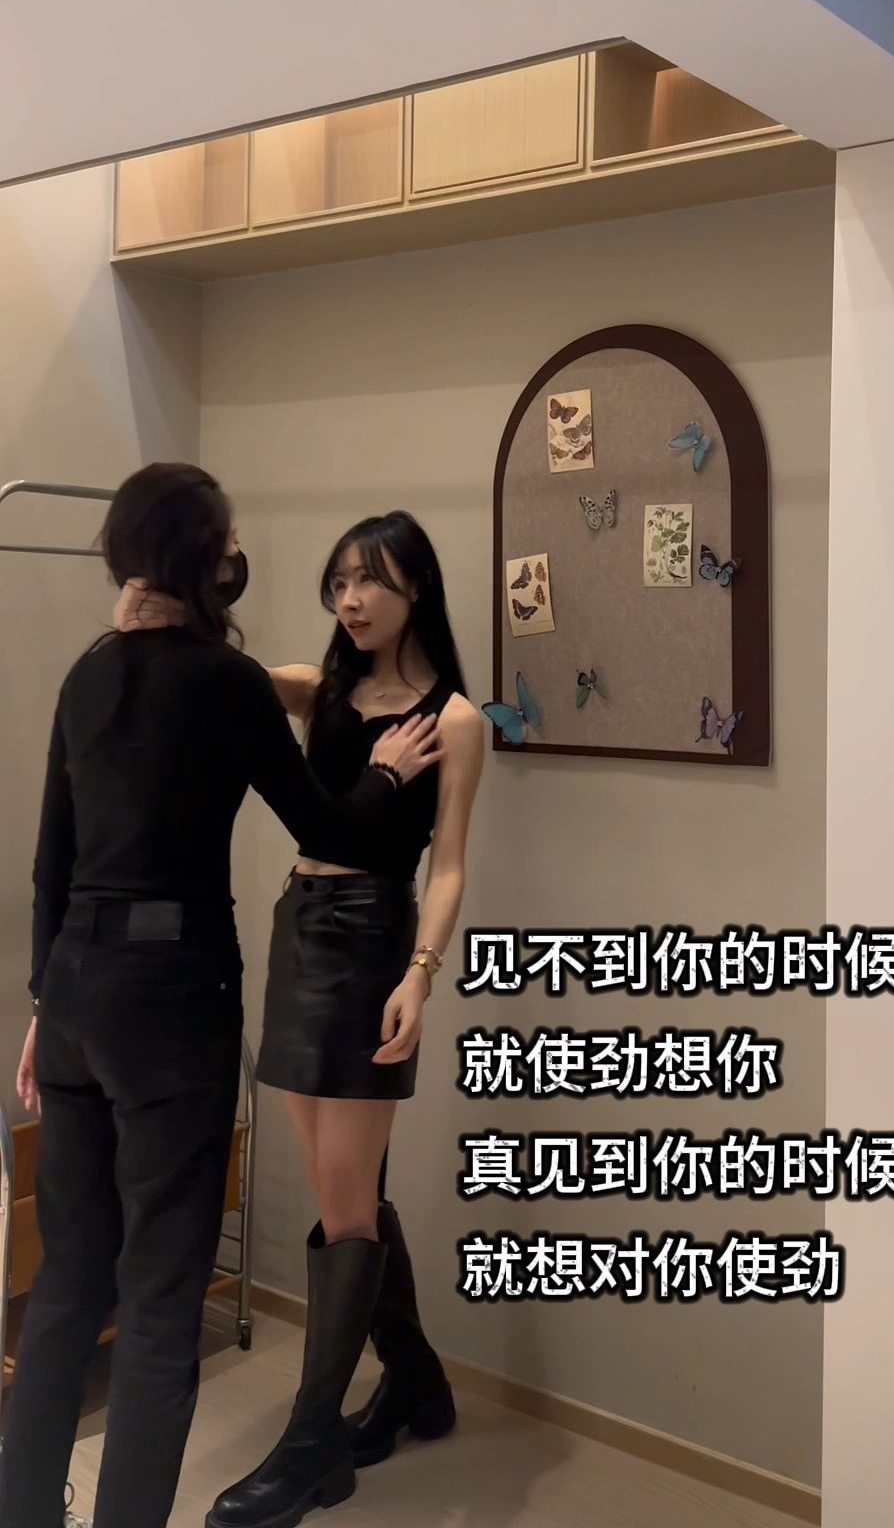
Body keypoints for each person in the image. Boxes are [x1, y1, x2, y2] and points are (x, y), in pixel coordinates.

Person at [0, 465, 439, 1528]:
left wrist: (45, 1004)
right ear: (207, 559)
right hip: (172, 1005)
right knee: (160, 1303)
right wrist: (385, 772)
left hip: (77, 996)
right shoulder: (224, 682)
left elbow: (52, 865)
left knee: (67, 1286)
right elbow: (330, 828)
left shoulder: (86, 675)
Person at [207, 512, 483, 1528]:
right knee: (348, 1189)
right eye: (339, 583)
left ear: (418, 590)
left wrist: (421, 973)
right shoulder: (317, 689)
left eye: (372, 582)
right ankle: (416, 1382)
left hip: (373, 941)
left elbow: (446, 864)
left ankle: (312, 1443)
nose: (351, 600)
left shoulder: (455, 719)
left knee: (343, 1202)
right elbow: (220, 668)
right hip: (299, 929)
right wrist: (208, 568)